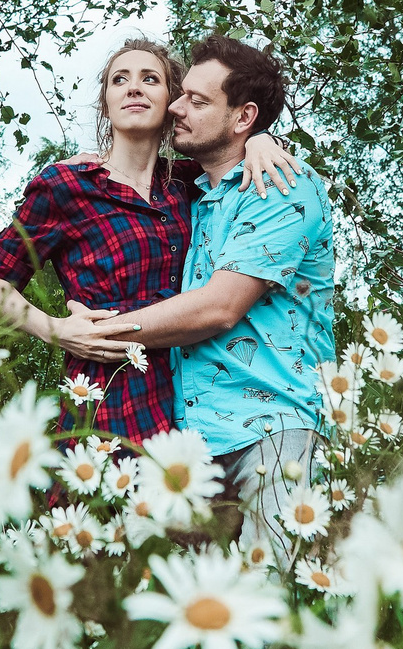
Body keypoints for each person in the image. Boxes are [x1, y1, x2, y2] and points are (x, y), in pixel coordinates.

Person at [56, 36, 334, 546]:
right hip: (191, 441)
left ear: (243, 117)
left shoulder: (282, 185)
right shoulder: (193, 193)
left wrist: (93, 332)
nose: (176, 108)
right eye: (181, 94)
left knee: (276, 596)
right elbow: (132, 176)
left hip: (275, 430)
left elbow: (220, 308)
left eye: (197, 101)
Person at [0, 37, 299, 444]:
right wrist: (55, 329)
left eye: (150, 79)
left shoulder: (189, 183)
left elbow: (229, 144)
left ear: (172, 105)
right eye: (119, 80)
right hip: (109, 383)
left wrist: (261, 140)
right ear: (106, 104)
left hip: (192, 395)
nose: (134, 87)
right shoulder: (67, 186)